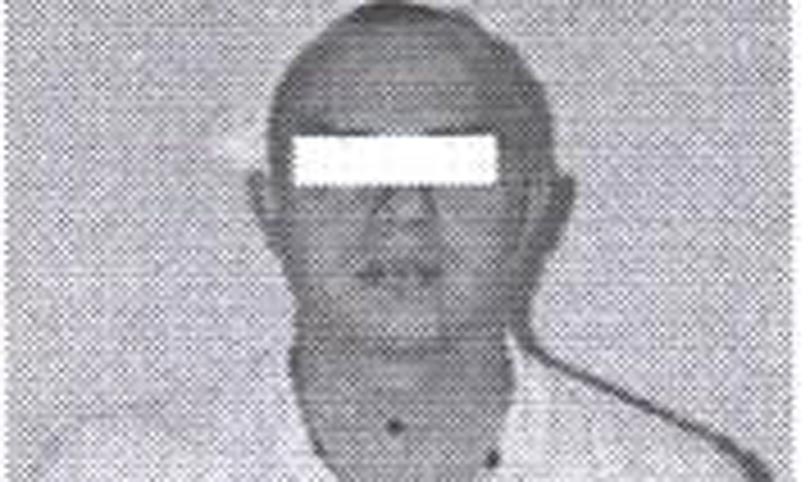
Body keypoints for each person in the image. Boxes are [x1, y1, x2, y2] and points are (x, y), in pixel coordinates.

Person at [37, 1, 772, 481]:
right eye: (351, 164)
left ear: (531, 207)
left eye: (452, 164)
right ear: (272, 208)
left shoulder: (672, 476)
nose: (405, 210)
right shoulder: (115, 470)